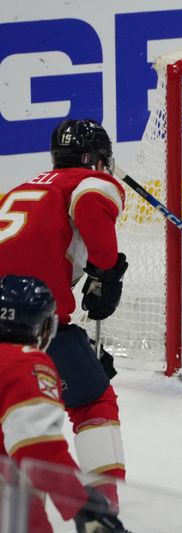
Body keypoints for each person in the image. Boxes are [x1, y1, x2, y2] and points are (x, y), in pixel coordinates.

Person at [0, 119, 128, 505]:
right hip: (29, 318)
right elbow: (92, 202)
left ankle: (14, 502)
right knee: (92, 400)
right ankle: (104, 504)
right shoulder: (90, 181)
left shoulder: (22, 187)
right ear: (97, 159)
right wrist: (107, 268)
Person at [0, 275, 128, 532]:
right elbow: (35, 444)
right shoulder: (24, 362)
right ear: (42, 326)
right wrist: (83, 503)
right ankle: (107, 498)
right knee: (95, 399)